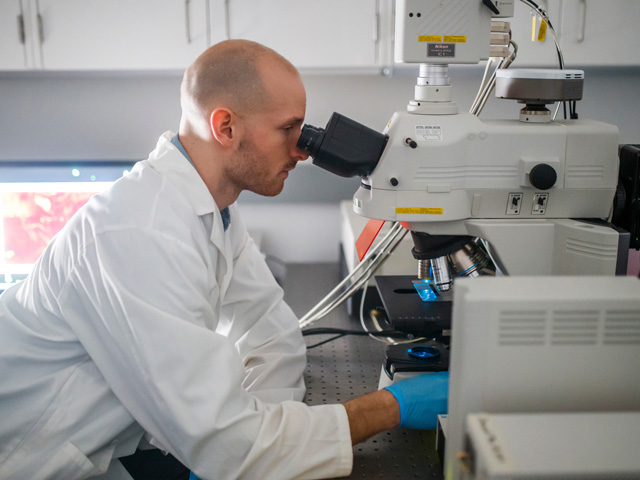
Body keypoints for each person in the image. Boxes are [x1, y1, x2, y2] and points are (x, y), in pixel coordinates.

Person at [0, 40, 448, 480]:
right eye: (288, 129)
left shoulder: (211, 211)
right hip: (29, 458)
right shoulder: (142, 231)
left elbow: (272, 335)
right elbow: (224, 443)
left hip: (112, 443)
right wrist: (390, 407)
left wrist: (264, 444)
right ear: (226, 127)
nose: (302, 150)